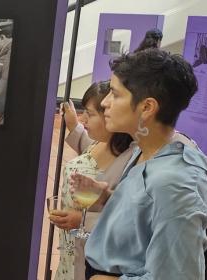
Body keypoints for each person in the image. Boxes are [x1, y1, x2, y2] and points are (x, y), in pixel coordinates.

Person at [71, 49, 207, 280]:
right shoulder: (145, 150)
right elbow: (147, 215)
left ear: (147, 107)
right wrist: (108, 196)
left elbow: (180, 275)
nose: (106, 103)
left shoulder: (174, 182)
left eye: (116, 95)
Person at [48, 81, 133, 280]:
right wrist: (74, 126)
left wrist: (82, 220)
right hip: (71, 251)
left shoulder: (130, 160)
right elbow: (88, 150)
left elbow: (129, 219)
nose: (83, 118)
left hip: (93, 258)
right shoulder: (99, 143)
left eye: (91, 113)